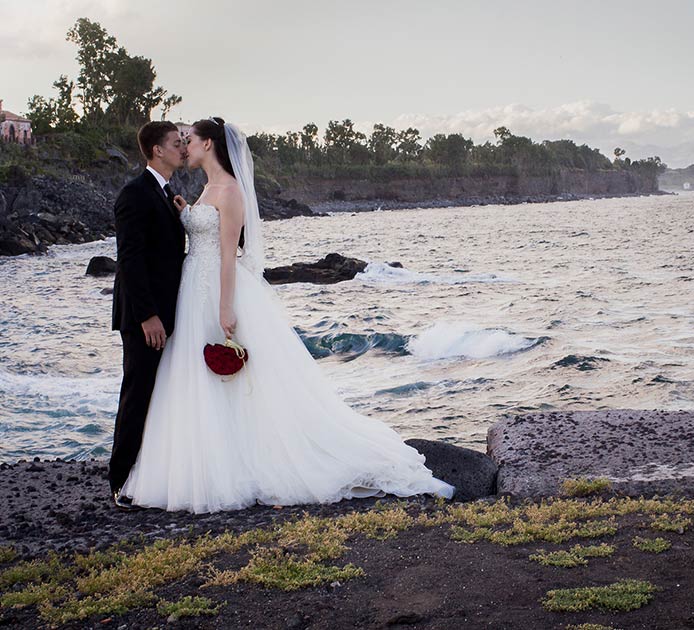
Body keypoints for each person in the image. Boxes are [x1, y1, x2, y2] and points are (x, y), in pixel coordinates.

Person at [118, 117, 454, 513]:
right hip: (192, 293)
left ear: (209, 144)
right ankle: (205, 457)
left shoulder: (230, 191)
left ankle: (234, 463)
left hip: (213, 291)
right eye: (180, 141)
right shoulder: (204, 189)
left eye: (190, 140)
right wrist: (185, 211)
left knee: (226, 376)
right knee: (193, 377)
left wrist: (226, 307)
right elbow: (188, 233)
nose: (185, 146)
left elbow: (228, 255)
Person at [109, 121, 186, 509]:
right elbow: (131, 261)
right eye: (176, 143)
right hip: (144, 318)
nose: (182, 148)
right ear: (157, 150)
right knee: (137, 394)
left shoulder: (168, 192)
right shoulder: (134, 194)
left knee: (157, 394)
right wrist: (147, 316)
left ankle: (150, 473)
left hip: (166, 313)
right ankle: (120, 481)